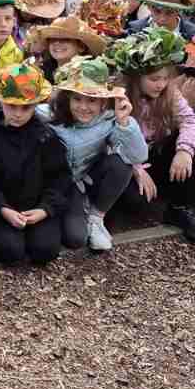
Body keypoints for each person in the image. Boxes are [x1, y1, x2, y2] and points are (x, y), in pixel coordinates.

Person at [107, 27, 195, 244]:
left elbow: (190, 121)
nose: (161, 84)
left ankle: (179, 207)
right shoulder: (118, 96)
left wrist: (184, 151)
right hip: (127, 160)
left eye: (165, 78)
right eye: (154, 78)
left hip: (156, 155)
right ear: (136, 77)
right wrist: (135, 168)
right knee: (135, 202)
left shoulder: (169, 94)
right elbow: (108, 139)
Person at [0, 63, 69, 267]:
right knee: (10, 250)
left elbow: (60, 177)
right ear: (0, 101)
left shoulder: (45, 135)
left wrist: (45, 209)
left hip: (36, 206)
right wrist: (2, 208)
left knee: (45, 249)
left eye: (26, 107)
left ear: (36, 105)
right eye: (11, 106)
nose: (18, 114)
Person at [45, 56, 146, 253]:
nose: (83, 107)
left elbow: (138, 156)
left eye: (92, 100)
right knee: (74, 238)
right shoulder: (48, 115)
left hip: (84, 180)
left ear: (103, 102)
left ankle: (96, 217)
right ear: (68, 98)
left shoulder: (110, 120)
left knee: (121, 163)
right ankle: (70, 212)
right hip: (56, 183)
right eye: (77, 99)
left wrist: (125, 122)